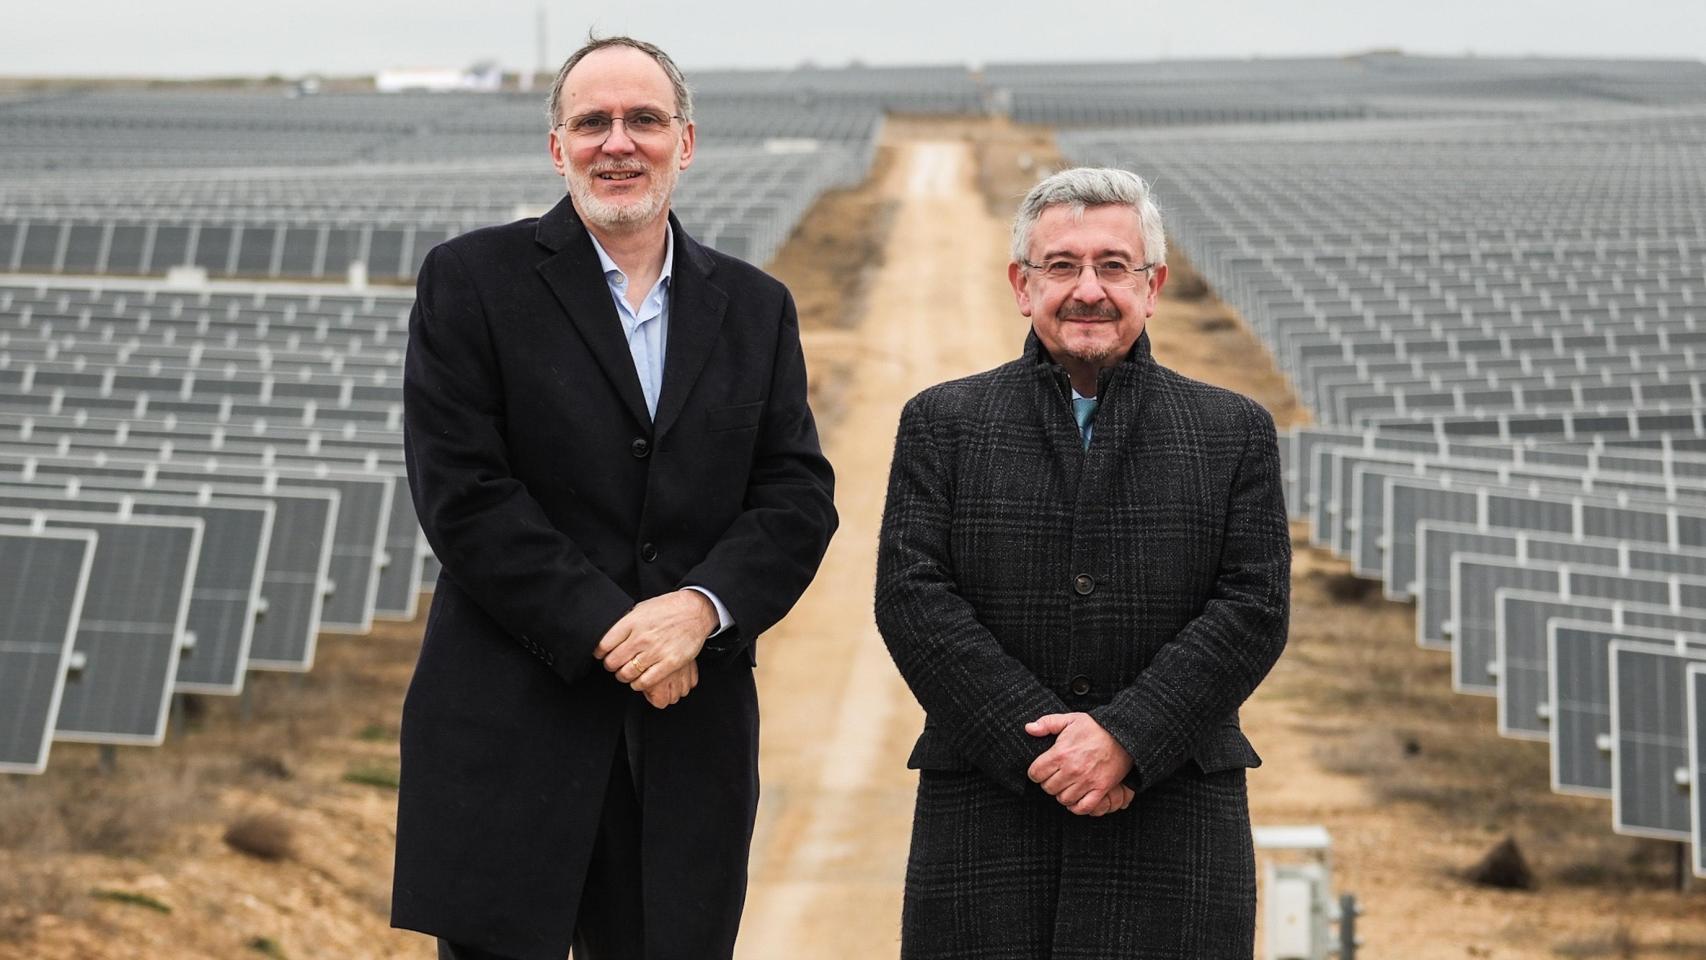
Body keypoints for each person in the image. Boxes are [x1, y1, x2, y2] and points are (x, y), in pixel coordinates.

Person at [393, 36, 837, 960]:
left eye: (644, 119)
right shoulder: (471, 281)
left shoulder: (756, 307)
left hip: (687, 738)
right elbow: (464, 494)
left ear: (686, 141)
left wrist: (699, 612)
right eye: (592, 122)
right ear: (558, 147)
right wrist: (622, 631)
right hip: (513, 724)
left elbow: (794, 493)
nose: (618, 142)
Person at [874, 167, 1289, 959]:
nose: (1087, 289)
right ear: (1022, 287)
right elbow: (912, 599)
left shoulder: (1233, 430)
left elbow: (1254, 608)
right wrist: (1053, 757)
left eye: (1113, 266)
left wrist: (1127, 737)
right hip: (989, 815)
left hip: (1173, 815)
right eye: (1061, 266)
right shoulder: (942, 423)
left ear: (1153, 285)